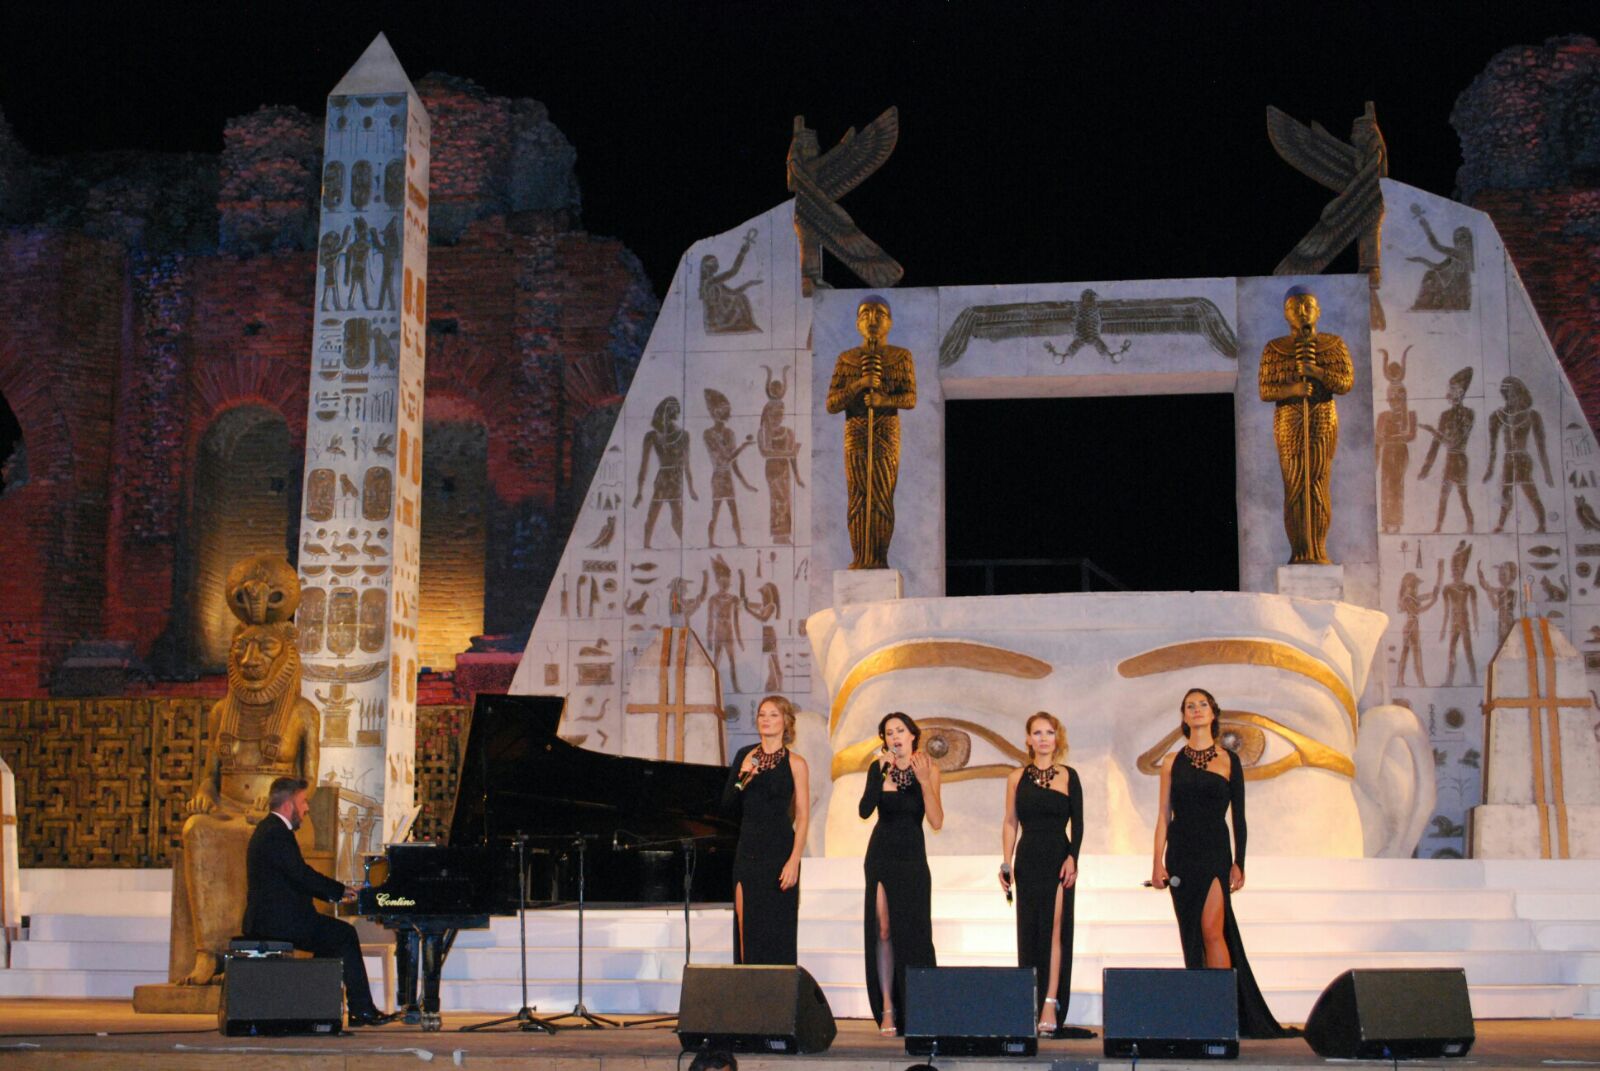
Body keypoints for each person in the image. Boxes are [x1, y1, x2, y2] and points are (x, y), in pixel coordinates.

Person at [1150, 689, 1297, 1040]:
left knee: (1214, 929)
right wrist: (1156, 862)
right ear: (1184, 717)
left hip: (1215, 852)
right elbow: (1163, 816)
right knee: (1192, 934)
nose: (1197, 710)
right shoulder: (1172, 761)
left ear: (1213, 713)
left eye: (1202, 705)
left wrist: (1239, 861)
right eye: (1190, 706)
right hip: (1182, 853)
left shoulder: (1229, 759)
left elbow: (1239, 817)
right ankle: (1204, 1013)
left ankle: (1222, 1014)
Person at [243, 776, 396, 1028]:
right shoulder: (275, 833)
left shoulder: (271, 830)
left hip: (277, 918)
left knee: (331, 940)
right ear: (289, 804)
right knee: (344, 934)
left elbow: (298, 875)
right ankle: (362, 1010)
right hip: (277, 921)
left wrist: (337, 891)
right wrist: (339, 891)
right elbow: (301, 874)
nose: (306, 808)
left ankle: (315, 1005)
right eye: (303, 802)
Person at [999, 712, 1090, 1039]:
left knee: (1055, 930)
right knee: (1030, 930)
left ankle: (1051, 1002)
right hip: (1027, 858)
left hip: (1057, 856)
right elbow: (1010, 822)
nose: (1042, 738)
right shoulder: (1016, 777)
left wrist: (1072, 858)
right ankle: (1031, 1003)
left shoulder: (1069, 775)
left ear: (1057, 738)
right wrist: (1006, 863)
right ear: (1028, 739)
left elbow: (1078, 824)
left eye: (1049, 732)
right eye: (1036, 733)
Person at [859, 712, 943, 1036]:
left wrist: (923, 782)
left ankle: (918, 1006)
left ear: (912, 735)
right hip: (880, 854)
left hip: (912, 858)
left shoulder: (929, 769)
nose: (894, 736)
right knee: (882, 929)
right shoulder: (878, 768)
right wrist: (878, 774)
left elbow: (936, 821)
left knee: (913, 933)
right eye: (888, 732)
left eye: (900, 730)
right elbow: (865, 810)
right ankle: (887, 1006)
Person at [722, 695, 811, 965]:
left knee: (777, 928)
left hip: (780, 852)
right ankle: (748, 994)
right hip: (747, 850)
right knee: (745, 924)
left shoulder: (796, 763)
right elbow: (727, 805)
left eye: (773, 714)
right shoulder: (744, 756)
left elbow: (803, 816)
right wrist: (742, 777)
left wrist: (794, 860)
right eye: (762, 714)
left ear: (786, 721)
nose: (766, 719)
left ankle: (777, 999)